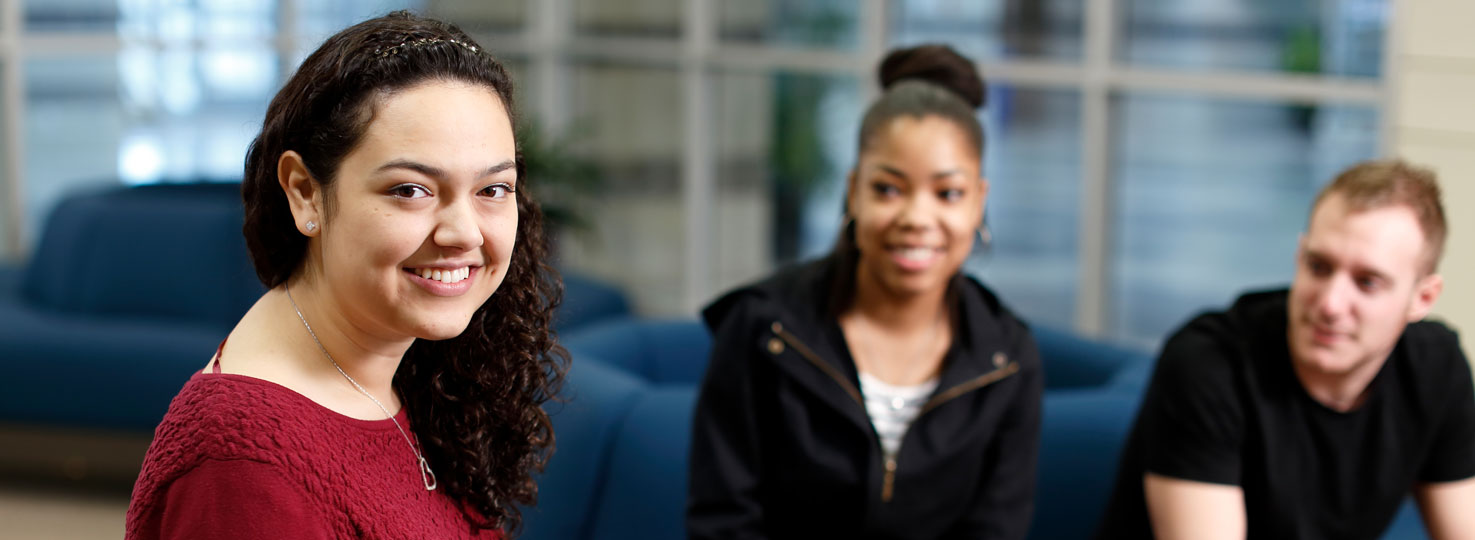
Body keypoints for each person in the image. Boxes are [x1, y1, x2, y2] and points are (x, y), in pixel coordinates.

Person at [125, 11, 567, 539]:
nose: (464, 233)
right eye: (410, 190)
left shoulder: (412, 366)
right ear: (304, 193)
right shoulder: (243, 469)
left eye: (492, 189)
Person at [687, 44, 1043, 539]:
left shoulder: (1008, 359)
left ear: (979, 202)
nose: (917, 218)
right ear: (854, 191)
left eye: (948, 194)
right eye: (888, 189)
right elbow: (723, 522)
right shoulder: (762, 329)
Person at [1096, 160, 1475, 539]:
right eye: (1319, 266)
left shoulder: (1435, 367)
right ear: (1299, 256)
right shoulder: (1208, 364)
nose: (1330, 304)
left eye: (1367, 283)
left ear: (1422, 299)